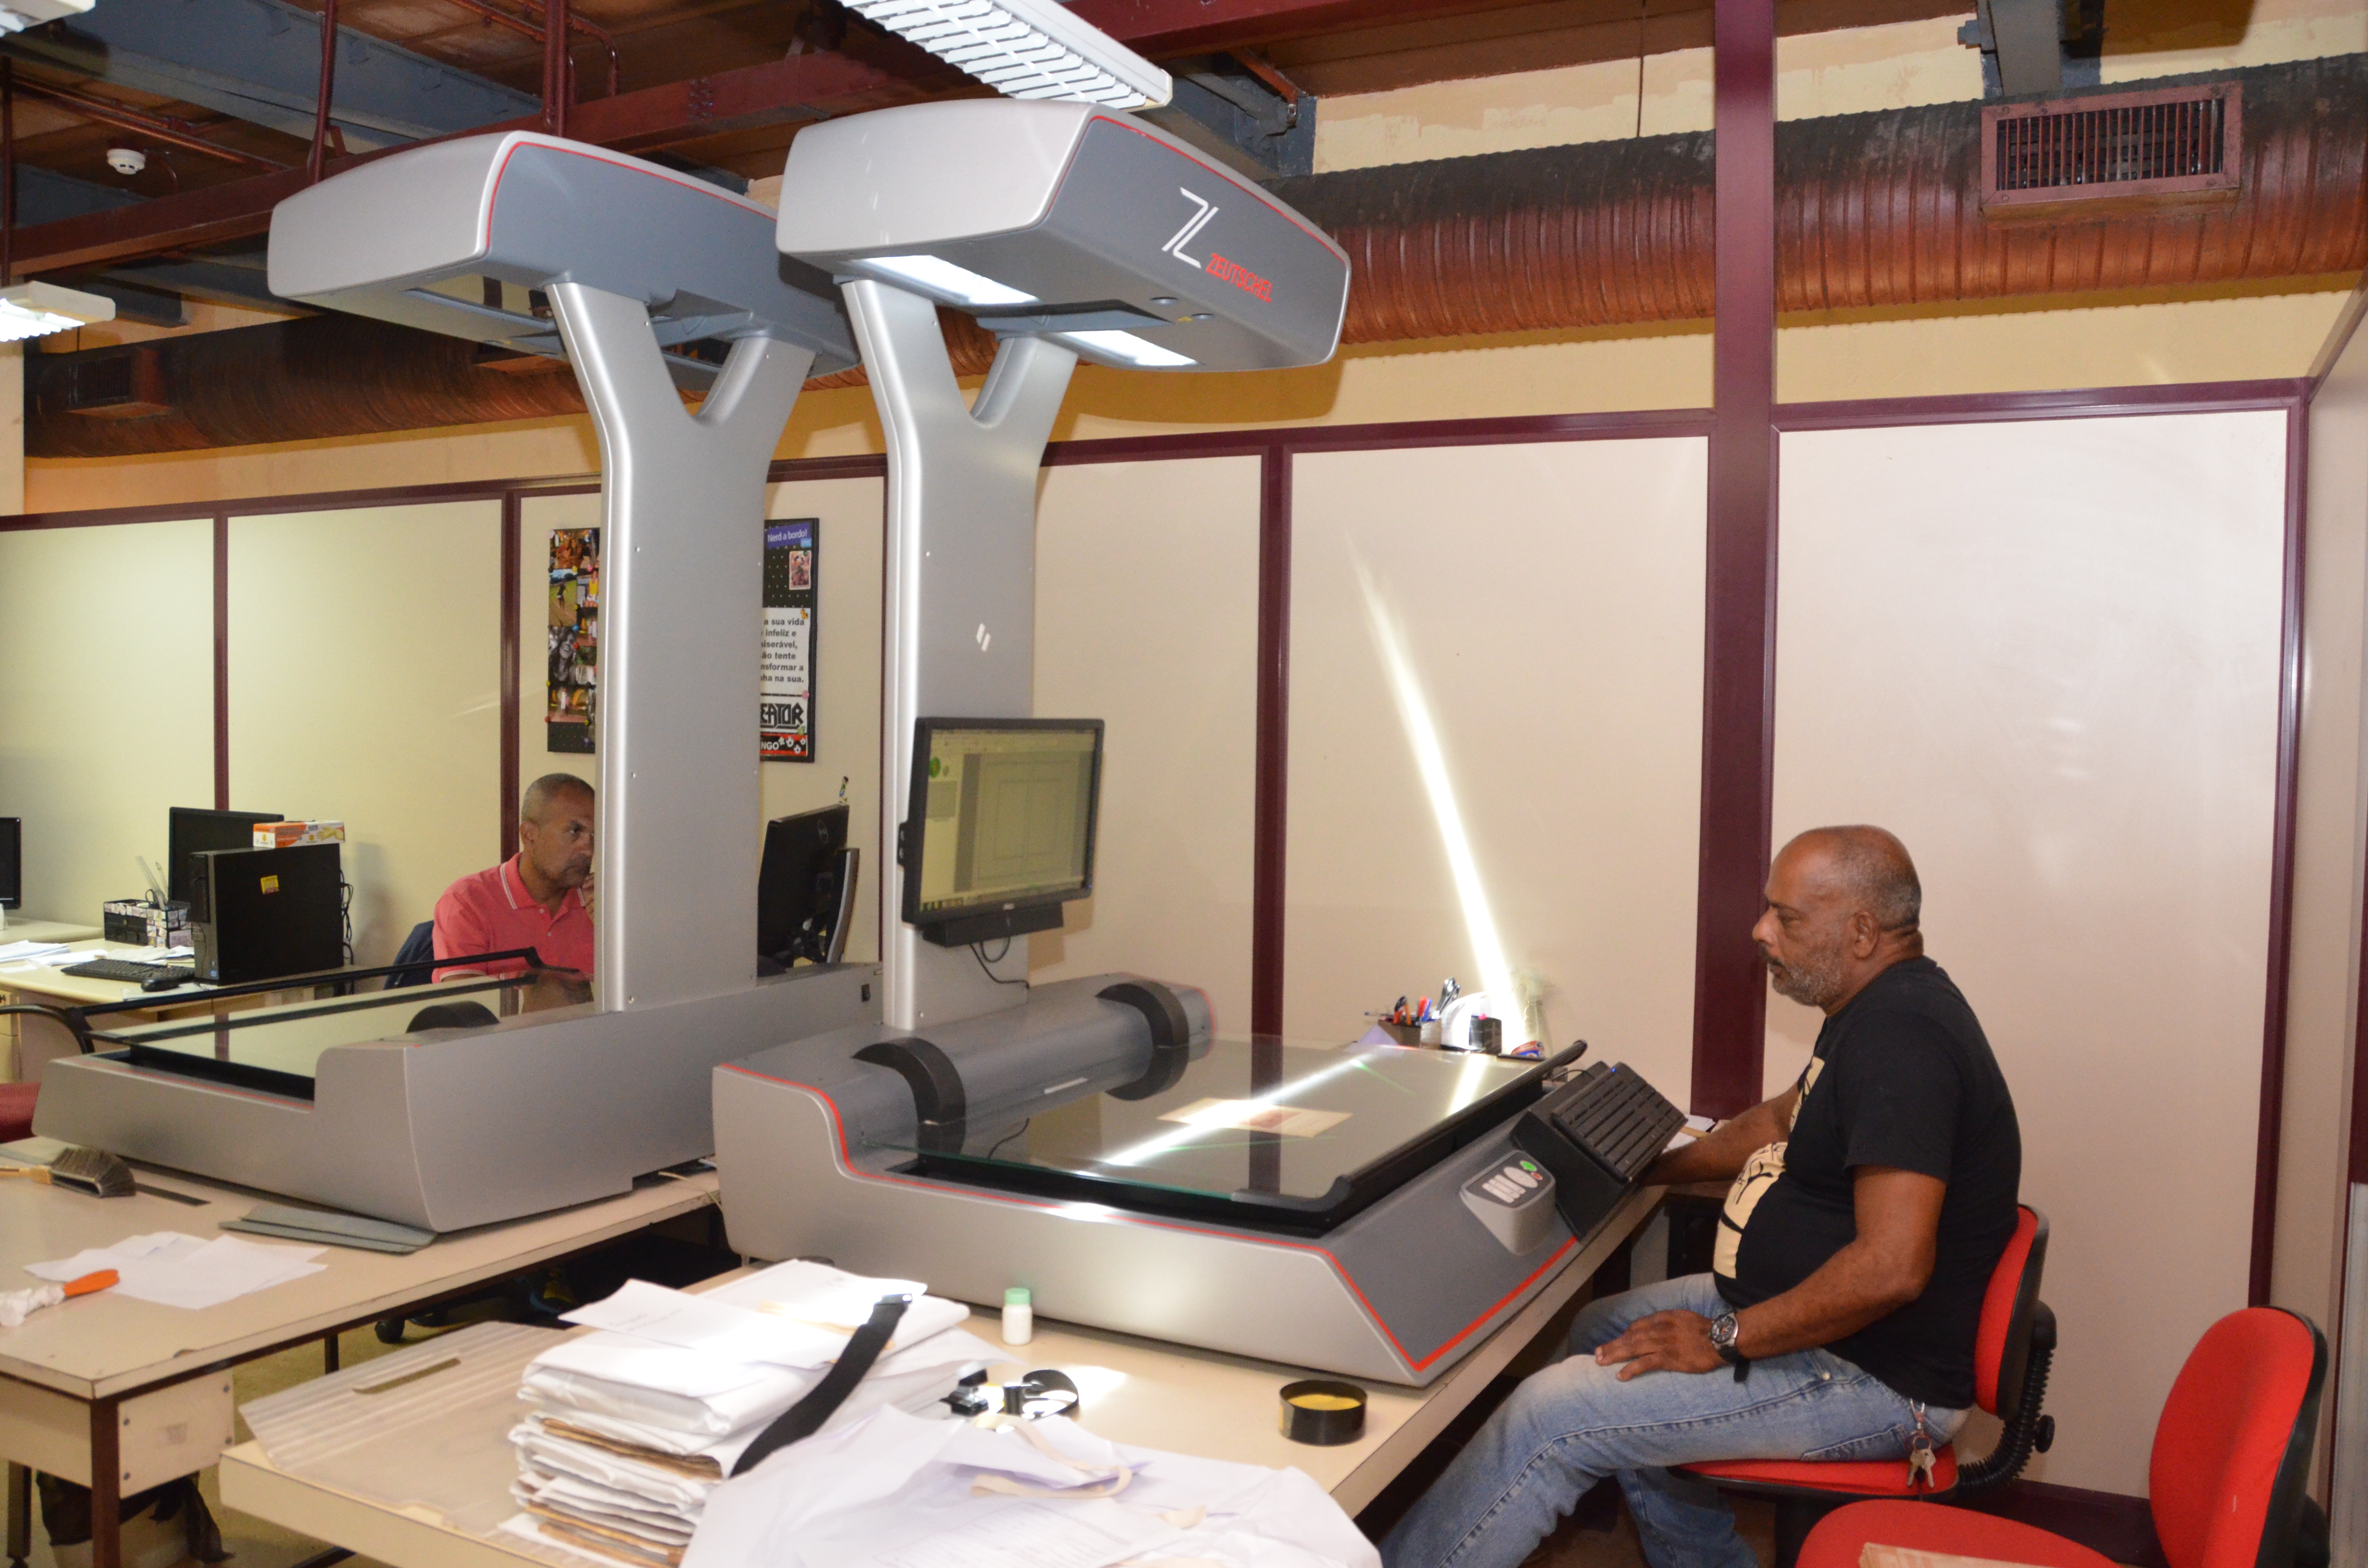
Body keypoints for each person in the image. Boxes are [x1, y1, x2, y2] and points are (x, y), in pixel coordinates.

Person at [1382, 826, 2021, 1568]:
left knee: (1546, 1416)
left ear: (1861, 932)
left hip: (1875, 1379)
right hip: (1828, 1331)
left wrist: (1721, 1340)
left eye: (1787, 917)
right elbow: (1780, 1120)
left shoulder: (1902, 1040)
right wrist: (1652, 1166)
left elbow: (1891, 1268)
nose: (1761, 931)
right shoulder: (1872, 1007)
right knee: (1601, 1328)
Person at [432, 772, 595, 982]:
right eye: (575, 831)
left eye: (595, 835)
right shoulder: (468, 901)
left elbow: (633, 994)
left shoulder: (601, 904)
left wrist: (612, 931)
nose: (588, 850)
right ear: (530, 835)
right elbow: (464, 1000)